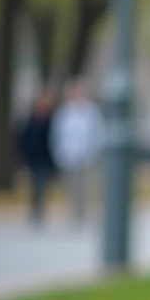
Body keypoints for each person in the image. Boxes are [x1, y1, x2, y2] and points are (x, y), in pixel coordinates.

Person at [50, 78, 103, 225]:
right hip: (68, 155)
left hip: (86, 156)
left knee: (85, 187)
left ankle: (85, 214)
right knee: (71, 187)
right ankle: (74, 213)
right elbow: (57, 134)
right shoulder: (63, 112)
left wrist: (94, 151)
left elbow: (97, 132)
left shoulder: (90, 111)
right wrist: (58, 152)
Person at [20, 92, 57, 225]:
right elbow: (24, 141)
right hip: (33, 160)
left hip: (44, 160)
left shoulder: (49, 123)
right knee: (34, 187)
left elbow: (52, 142)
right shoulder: (30, 122)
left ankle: (39, 211)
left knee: (42, 187)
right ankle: (34, 211)